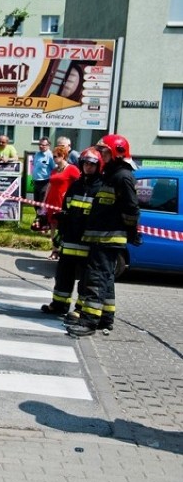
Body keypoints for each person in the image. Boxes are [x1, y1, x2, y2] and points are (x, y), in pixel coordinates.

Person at [67, 134, 140, 337]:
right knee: (105, 279)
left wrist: (132, 231)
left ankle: (88, 322)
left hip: (108, 237)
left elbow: (132, 209)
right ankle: (105, 318)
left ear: (116, 152)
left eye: (104, 151)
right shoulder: (111, 175)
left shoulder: (122, 177)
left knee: (96, 279)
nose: (101, 155)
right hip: (101, 236)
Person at [40, 147, 104, 317]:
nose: (88, 167)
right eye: (85, 163)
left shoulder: (101, 187)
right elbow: (66, 207)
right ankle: (59, 304)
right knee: (63, 274)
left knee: (85, 278)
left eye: (92, 164)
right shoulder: (76, 185)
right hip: (70, 237)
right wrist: (61, 228)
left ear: (98, 166)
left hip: (87, 240)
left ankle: (80, 309)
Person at [42, 146, 81, 259]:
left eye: (55, 156)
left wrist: (72, 194)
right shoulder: (54, 170)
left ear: (62, 156)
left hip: (63, 201)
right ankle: (55, 250)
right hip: (52, 201)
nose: (53, 159)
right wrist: (44, 200)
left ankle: (64, 250)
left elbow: (79, 182)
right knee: (53, 225)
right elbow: (50, 185)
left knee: (63, 226)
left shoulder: (72, 169)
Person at [31, 137, 55, 217]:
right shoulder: (37, 154)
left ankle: (43, 223)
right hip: (36, 182)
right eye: (39, 144)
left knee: (42, 204)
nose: (41, 146)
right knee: (36, 203)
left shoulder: (50, 156)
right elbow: (35, 166)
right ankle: (38, 220)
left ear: (48, 146)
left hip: (45, 182)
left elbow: (54, 169)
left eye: (43, 145)